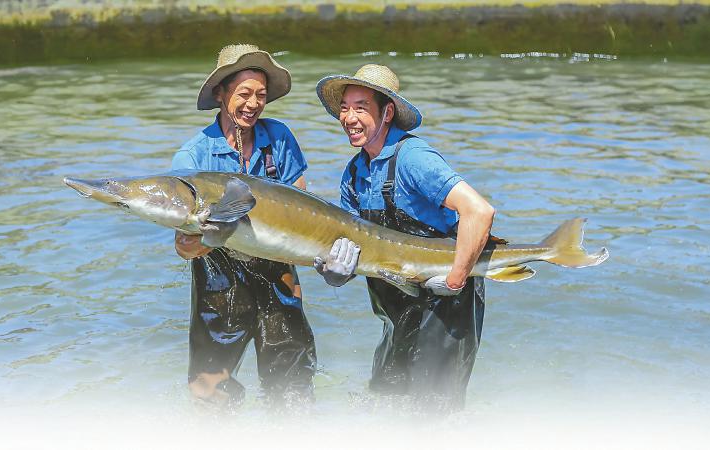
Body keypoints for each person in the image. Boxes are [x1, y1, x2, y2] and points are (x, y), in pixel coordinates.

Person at [313, 64, 495, 412]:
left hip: (445, 304)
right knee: (386, 404)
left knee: (432, 414)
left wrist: (455, 280)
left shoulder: (413, 158)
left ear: (388, 112)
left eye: (361, 107)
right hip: (395, 310)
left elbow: (479, 211)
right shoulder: (353, 173)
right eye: (345, 108)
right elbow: (353, 247)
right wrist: (336, 272)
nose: (349, 117)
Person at [171, 44, 316, 409]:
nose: (253, 104)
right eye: (244, 94)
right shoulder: (193, 156)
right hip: (219, 286)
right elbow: (183, 247)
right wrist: (209, 237)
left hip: (278, 278)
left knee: (292, 388)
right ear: (221, 94)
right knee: (209, 393)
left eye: (261, 95)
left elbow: (303, 204)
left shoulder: (279, 138)